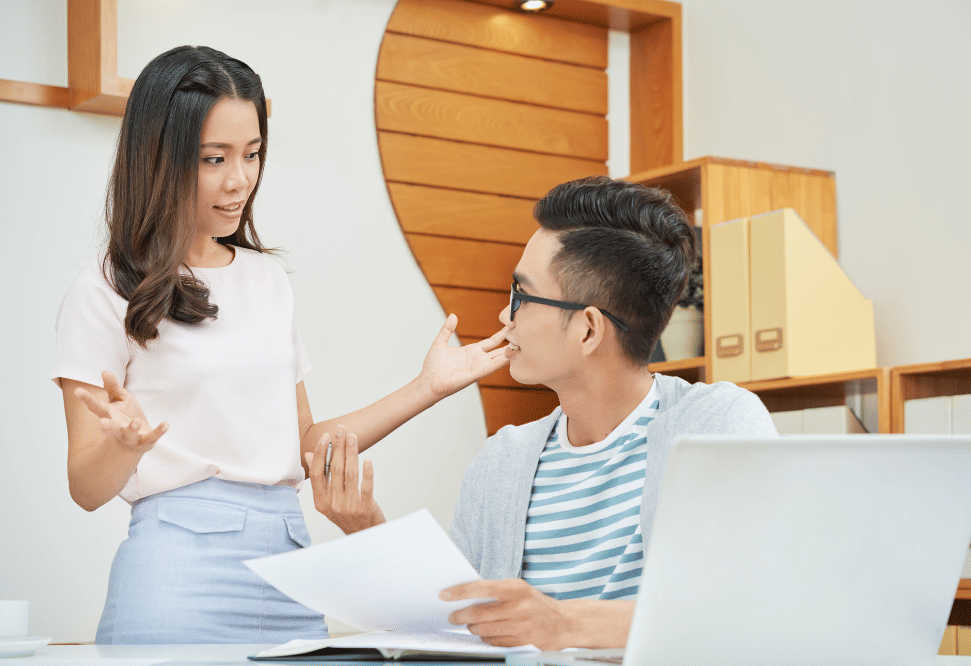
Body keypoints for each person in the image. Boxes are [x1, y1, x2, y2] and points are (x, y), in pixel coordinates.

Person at [52, 45, 508, 645]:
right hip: (177, 573)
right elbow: (86, 488)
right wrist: (123, 449)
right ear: (157, 158)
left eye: (252, 153)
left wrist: (427, 388)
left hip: (290, 566)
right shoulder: (106, 286)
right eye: (214, 158)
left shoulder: (265, 279)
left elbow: (303, 446)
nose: (240, 179)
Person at [347, 176, 779, 650]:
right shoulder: (502, 462)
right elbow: (454, 624)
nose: (504, 317)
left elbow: (746, 605)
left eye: (521, 295)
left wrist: (565, 624)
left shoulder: (718, 426)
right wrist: (366, 528)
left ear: (589, 331)